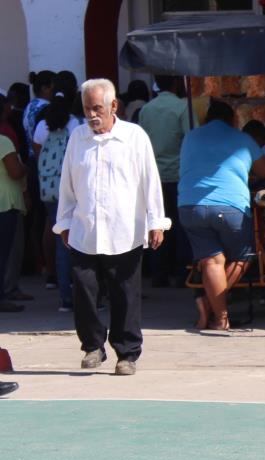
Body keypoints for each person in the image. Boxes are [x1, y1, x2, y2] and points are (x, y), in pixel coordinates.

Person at [55, 78, 169, 376]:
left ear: (113, 106)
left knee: (125, 293)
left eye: (97, 109)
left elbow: (149, 181)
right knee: (85, 291)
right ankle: (93, 346)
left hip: (124, 231)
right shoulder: (77, 137)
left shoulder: (134, 137)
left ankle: (126, 353)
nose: (92, 115)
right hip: (85, 230)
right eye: (87, 109)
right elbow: (67, 183)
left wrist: (156, 221)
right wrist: (64, 222)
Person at [178, 99, 265, 331]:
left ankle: (216, 314)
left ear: (207, 119)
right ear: (233, 120)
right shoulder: (243, 139)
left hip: (190, 206)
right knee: (244, 256)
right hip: (230, 207)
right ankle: (214, 313)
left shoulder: (191, 137)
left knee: (212, 261)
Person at [137, 75, 191, 288]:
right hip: (178, 175)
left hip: (153, 177)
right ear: (176, 84)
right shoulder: (182, 107)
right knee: (180, 226)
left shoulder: (146, 110)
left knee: (156, 224)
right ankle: (181, 273)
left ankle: (159, 274)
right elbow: (190, 138)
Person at [35, 97, 74, 312]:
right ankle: (74, 294)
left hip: (47, 191)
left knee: (57, 237)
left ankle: (62, 294)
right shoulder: (74, 125)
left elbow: (37, 156)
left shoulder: (41, 128)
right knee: (72, 243)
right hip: (68, 192)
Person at [0, 110, 26, 314]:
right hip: (5, 203)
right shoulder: (4, 142)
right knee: (3, 254)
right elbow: (15, 171)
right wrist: (26, 167)